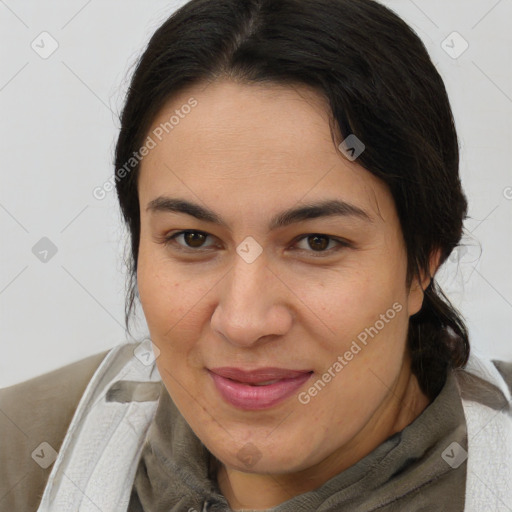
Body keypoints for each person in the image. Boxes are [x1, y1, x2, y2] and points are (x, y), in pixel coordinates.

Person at [1, 0, 511, 510]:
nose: (244, 322)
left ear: (422, 261)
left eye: (317, 242)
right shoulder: (22, 460)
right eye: (193, 239)